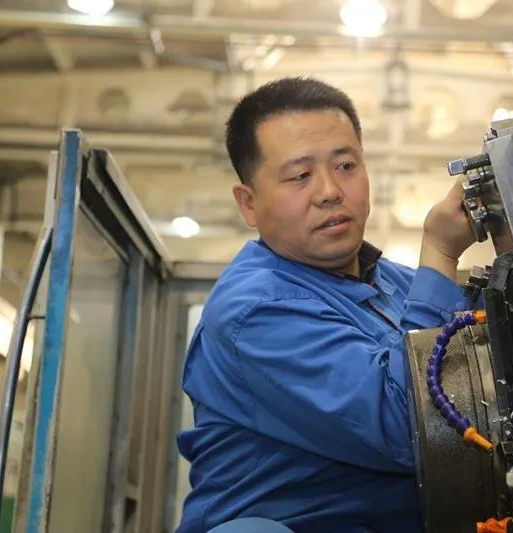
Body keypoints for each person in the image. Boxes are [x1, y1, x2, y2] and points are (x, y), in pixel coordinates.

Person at [176, 77, 476, 533]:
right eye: (300, 176)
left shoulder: (394, 283)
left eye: (346, 166)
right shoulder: (253, 311)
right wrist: (441, 252)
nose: (330, 191)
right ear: (249, 204)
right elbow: (415, 428)